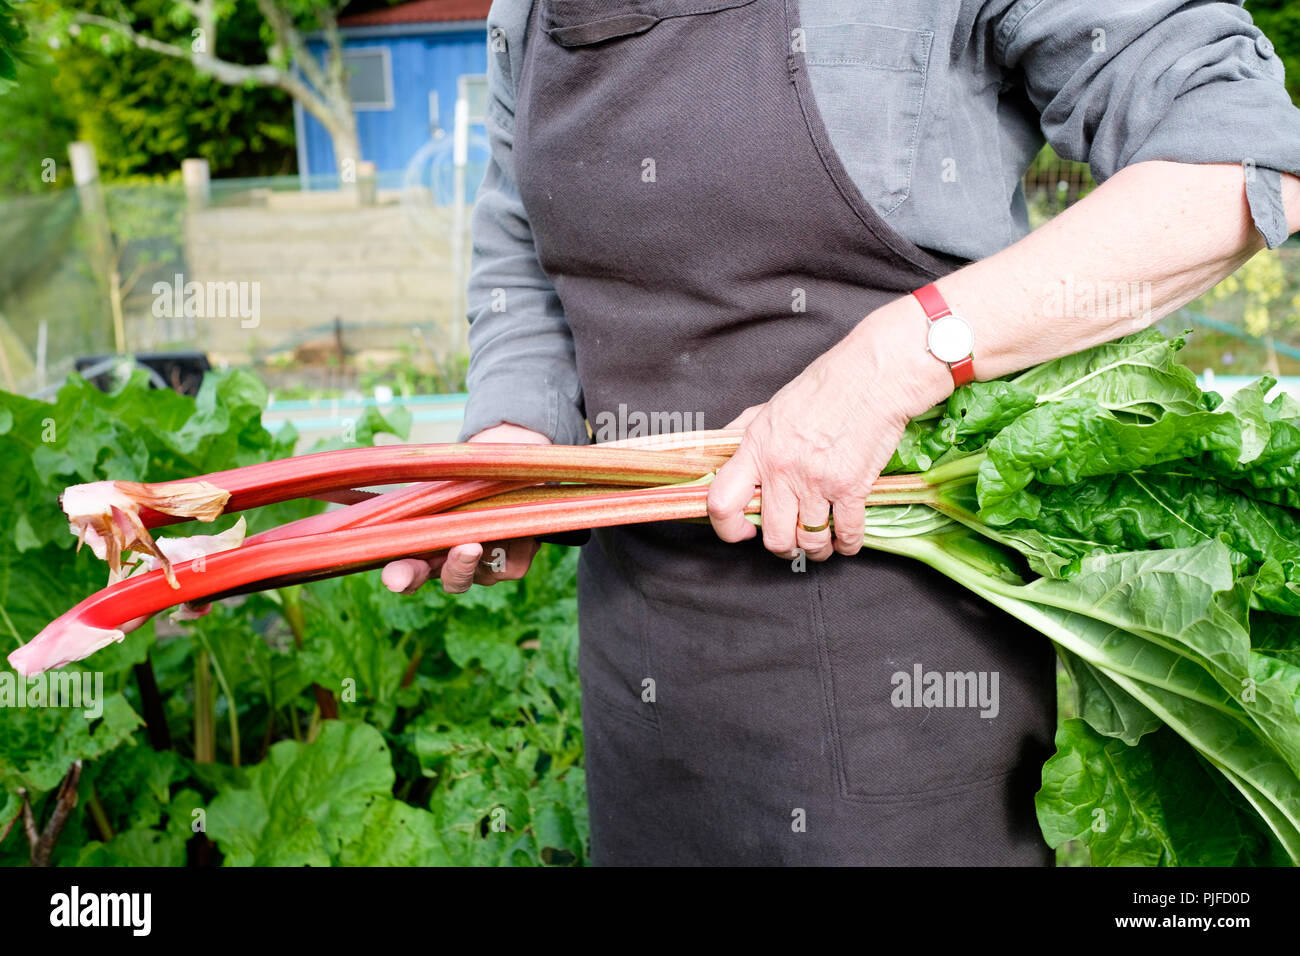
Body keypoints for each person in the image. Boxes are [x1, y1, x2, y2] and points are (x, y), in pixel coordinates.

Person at [382, 0, 1300, 865]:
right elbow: (518, 220)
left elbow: (1244, 155)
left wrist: (895, 361)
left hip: (899, 679)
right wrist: (518, 429)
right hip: (640, 662)